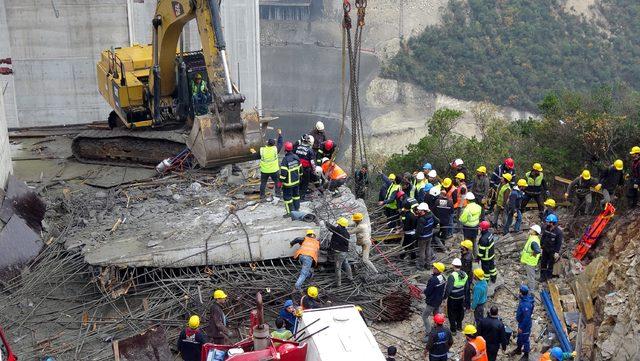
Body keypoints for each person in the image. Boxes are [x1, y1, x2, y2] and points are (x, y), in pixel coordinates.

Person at [255, 129, 283, 199]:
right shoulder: (275, 149)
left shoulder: (262, 150)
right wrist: (280, 134)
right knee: (277, 182)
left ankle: (262, 195)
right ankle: (278, 194)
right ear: (273, 144)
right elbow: (280, 143)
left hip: (264, 171)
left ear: (267, 144)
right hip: (274, 170)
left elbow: (256, 156)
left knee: (263, 183)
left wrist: (253, 151)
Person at [326, 217, 353, 287]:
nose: (337, 225)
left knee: (338, 268)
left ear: (340, 224)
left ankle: (338, 284)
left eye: (338, 224)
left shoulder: (339, 230)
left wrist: (325, 222)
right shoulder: (346, 232)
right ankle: (350, 278)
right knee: (346, 264)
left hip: (339, 253)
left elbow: (331, 228)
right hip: (345, 252)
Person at [422, 262, 447, 338]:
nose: (433, 268)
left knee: (424, 316)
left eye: (435, 268)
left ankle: (429, 333)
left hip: (432, 301)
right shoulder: (443, 277)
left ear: (438, 270)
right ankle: (438, 328)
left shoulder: (433, 280)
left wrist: (424, 292)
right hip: (438, 300)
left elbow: (428, 291)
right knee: (436, 315)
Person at [510, 285, 534, 360]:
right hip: (521, 323)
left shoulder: (526, 304)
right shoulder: (525, 299)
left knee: (525, 339)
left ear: (521, 293)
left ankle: (526, 355)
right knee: (520, 337)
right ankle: (518, 349)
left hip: (525, 325)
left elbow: (527, 318)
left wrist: (521, 327)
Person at [444, 258, 468, 334]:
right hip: (461, 298)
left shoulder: (452, 276)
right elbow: (466, 288)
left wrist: (444, 297)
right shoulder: (465, 274)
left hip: (453, 298)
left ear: (453, 265)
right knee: (460, 312)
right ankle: (459, 327)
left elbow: (449, 289)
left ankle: (453, 330)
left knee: (451, 313)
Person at [539, 214, 563, 282]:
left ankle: (548, 277)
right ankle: (542, 277)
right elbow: (543, 237)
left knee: (550, 264)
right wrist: (541, 246)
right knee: (543, 263)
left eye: (548, 222)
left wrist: (556, 252)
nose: (546, 223)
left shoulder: (558, 232)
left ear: (552, 223)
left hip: (552, 251)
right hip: (545, 249)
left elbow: (559, 243)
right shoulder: (546, 228)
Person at [415, 203, 439, 269]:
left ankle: (421, 265)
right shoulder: (431, 215)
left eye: (420, 210)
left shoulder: (421, 219)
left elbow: (419, 231)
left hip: (423, 238)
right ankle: (428, 265)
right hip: (430, 235)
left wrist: (415, 237)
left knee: (422, 251)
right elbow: (437, 221)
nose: (418, 211)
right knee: (428, 250)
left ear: (424, 211)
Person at [280, 142, 301, 216]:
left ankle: (290, 212)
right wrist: (300, 177)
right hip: (296, 181)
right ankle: (297, 209)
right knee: (296, 196)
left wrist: (280, 182)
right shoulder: (296, 157)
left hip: (288, 183)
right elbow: (301, 169)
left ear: (285, 149)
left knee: (287, 198)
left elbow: (283, 173)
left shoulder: (285, 160)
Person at [294, 135, 316, 201]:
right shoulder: (309, 150)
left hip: (297, 168)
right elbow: (312, 162)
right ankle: (302, 197)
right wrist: (314, 169)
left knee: (298, 182)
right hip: (305, 169)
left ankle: (296, 195)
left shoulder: (297, 148)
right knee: (305, 183)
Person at [520, 224, 542, 290]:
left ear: (535, 232)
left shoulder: (534, 241)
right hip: (529, 260)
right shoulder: (533, 237)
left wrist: (533, 254)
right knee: (530, 275)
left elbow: (537, 250)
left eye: (531, 229)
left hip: (530, 261)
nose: (530, 230)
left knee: (531, 277)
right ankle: (529, 287)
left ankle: (531, 291)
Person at [460, 240, 474, 309]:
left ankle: (467, 305)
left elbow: (464, 270)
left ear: (466, 248)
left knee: (466, 291)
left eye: (463, 246)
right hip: (468, 275)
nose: (461, 247)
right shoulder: (467, 253)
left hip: (466, 277)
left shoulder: (466, 259)